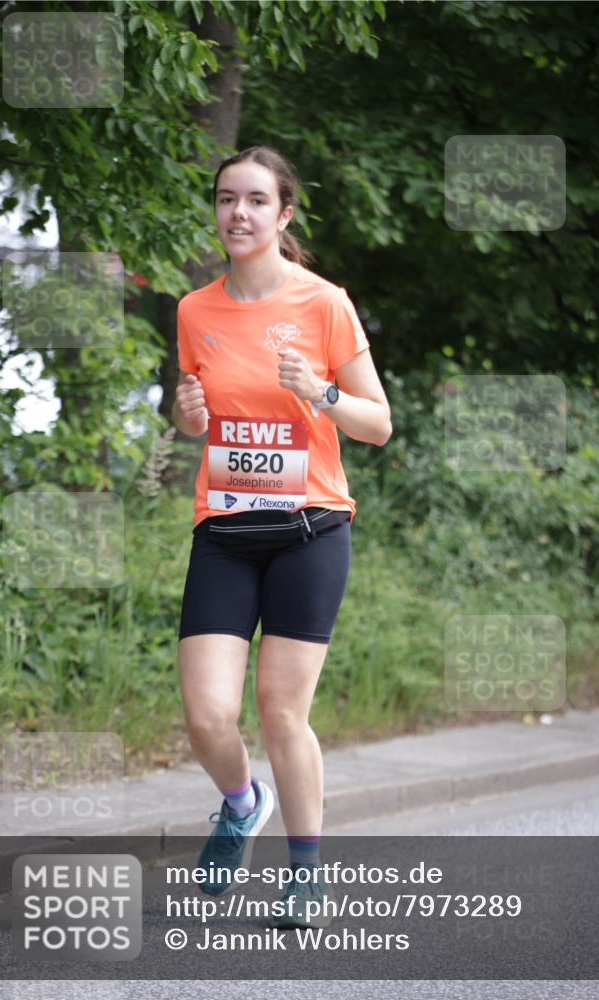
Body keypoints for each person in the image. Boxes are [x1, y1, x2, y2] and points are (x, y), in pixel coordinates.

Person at [172, 145, 391, 928]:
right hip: (227, 530)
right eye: (227, 199)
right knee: (205, 715)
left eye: (256, 200)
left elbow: (378, 424)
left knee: (279, 710)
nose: (238, 213)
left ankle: (305, 873)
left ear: (283, 214)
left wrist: (321, 391)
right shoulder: (195, 309)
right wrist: (187, 416)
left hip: (310, 530)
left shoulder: (324, 302)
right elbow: (193, 411)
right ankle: (240, 805)